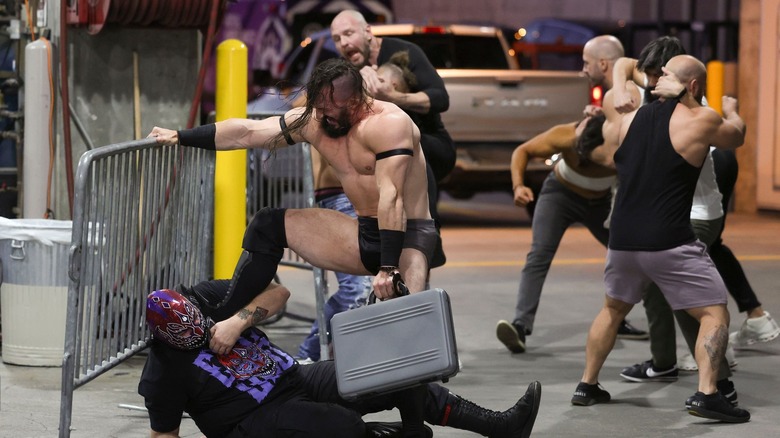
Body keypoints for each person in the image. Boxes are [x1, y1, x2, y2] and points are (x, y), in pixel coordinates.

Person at [149, 58, 436, 320]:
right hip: (363, 233)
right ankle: (223, 314)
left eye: (329, 110)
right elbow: (247, 132)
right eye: (318, 108)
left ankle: (421, 368)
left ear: (355, 101)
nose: (321, 117)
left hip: (407, 235)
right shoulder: (316, 121)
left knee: (406, 327)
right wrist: (179, 136)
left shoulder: (389, 124)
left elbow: (392, 197)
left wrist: (388, 268)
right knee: (267, 225)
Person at [570, 55, 750, 423]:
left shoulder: (627, 120)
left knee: (613, 309)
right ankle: (708, 393)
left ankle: (587, 385)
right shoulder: (702, 120)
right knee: (714, 312)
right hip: (669, 239)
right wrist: (731, 108)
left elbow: (618, 72)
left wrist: (621, 84)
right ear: (696, 86)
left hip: (621, 238)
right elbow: (737, 135)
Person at [139, 281, 543, 438]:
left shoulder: (203, 297)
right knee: (341, 426)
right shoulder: (162, 371)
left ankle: (500, 426)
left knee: (390, 374)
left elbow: (278, 292)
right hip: (249, 421)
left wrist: (236, 322)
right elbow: (164, 436)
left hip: (292, 377)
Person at [495, 35, 646, 354]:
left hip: (601, 202)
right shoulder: (571, 134)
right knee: (539, 255)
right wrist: (518, 185)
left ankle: (617, 315)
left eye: (585, 62)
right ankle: (520, 325)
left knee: (630, 256)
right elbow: (522, 151)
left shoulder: (626, 116)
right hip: (559, 195)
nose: (582, 68)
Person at [295, 53, 423, 364]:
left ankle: (396, 361)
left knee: (396, 285)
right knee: (358, 289)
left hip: (376, 206)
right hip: (338, 196)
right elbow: (299, 108)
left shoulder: (383, 119)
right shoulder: (331, 99)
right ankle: (315, 357)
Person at [330, 9, 455, 268]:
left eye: (348, 33)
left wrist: (393, 97)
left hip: (432, 144)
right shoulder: (348, 71)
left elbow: (441, 99)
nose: (343, 43)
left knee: (409, 148)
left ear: (367, 32)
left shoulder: (404, 52)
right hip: (385, 151)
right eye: (337, 38)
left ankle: (429, 241)